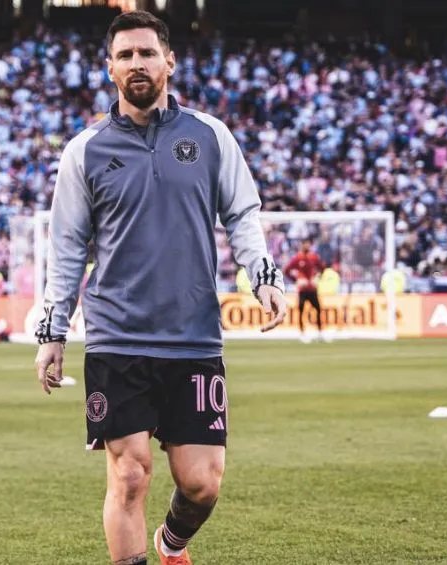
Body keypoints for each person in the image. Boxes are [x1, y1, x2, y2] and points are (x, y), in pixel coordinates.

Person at [33, 11, 288, 565]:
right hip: (116, 338)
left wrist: (262, 276)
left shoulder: (210, 135)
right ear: (109, 70)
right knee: (129, 476)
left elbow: (242, 214)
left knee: (202, 484)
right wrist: (52, 331)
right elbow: (68, 247)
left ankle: (171, 546)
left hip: (194, 336)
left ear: (169, 60)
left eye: (146, 53)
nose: (137, 64)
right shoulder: (84, 150)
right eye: (124, 56)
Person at [284, 239, 325, 343]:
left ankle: (320, 333)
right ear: (302, 245)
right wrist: (296, 280)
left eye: (308, 244)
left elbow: (322, 268)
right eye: (305, 244)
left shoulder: (313, 257)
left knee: (318, 309)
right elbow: (286, 270)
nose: (307, 246)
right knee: (301, 310)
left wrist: (317, 278)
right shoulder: (297, 258)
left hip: (312, 289)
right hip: (302, 289)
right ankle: (302, 333)